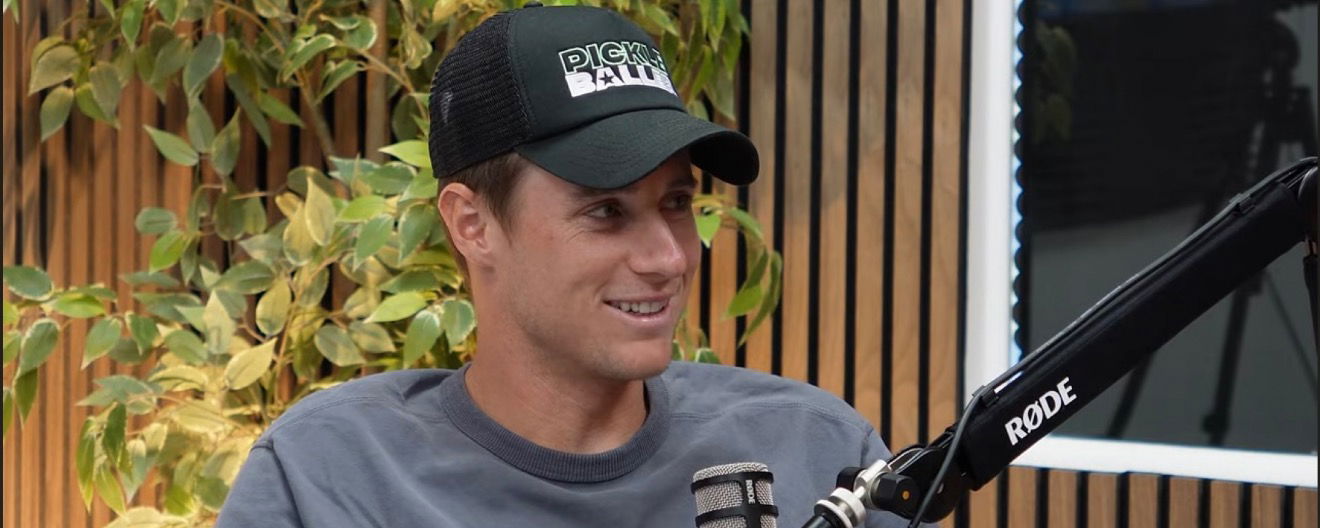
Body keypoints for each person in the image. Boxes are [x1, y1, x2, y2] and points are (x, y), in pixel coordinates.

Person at [218, 4, 918, 527]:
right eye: (607, 211)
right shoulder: (329, 478)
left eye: (677, 202)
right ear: (472, 224)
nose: (669, 258)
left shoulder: (815, 449)